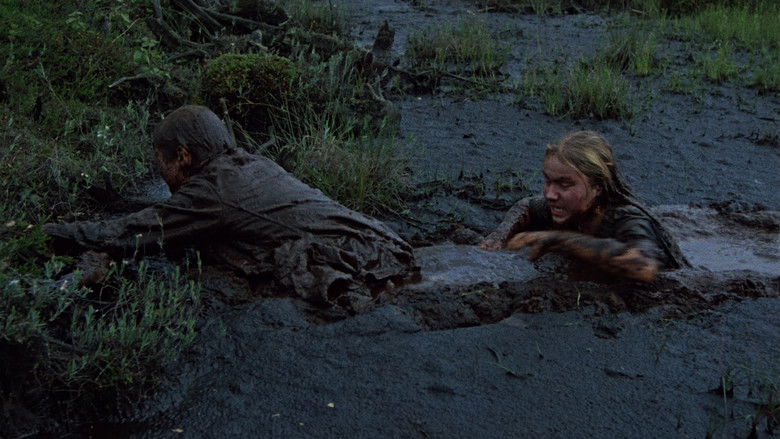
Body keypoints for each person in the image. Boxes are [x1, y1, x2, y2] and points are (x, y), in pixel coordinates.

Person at [44, 105, 416, 305]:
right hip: (380, 240)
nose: (161, 173)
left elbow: (129, 233)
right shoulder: (252, 163)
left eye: (161, 162)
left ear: (184, 156)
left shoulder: (213, 192)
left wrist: (42, 234)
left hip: (360, 261)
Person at [480, 130, 688, 282]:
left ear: (597, 187)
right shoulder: (564, 207)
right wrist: (499, 236)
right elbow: (526, 205)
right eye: (548, 181)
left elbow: (645, 267)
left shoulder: (627, 218)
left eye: (564, 185)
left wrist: (559, 239)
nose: (550, 194)